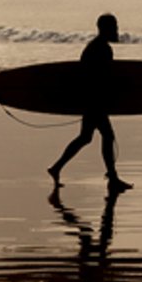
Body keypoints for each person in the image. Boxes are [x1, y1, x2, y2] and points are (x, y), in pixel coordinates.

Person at [48, 14, 132, 193]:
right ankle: (113, 178)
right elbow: (100, 77)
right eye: (114, 27)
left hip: (90, 99)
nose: (117, 31)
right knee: (106, 136)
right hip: (94, 100)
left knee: (86, 137)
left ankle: (56, 168)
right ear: (105, 29)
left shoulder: (96, 47)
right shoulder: (101, 49)